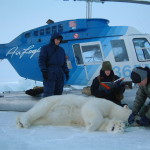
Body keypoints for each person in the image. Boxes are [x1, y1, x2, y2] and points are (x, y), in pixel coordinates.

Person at [38, 32, 69, 97]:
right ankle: (47, 106)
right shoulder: (45, 48)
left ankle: (56, 106)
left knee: (59, 92)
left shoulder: (61, 50)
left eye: (59, 40)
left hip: (60, 72)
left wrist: (66, 72)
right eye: (57, 39)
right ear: (53, 39)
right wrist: (44, 71)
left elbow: (64, 62)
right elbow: (41, 60)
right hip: (50, 71)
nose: (58, 41)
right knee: (49, 92)